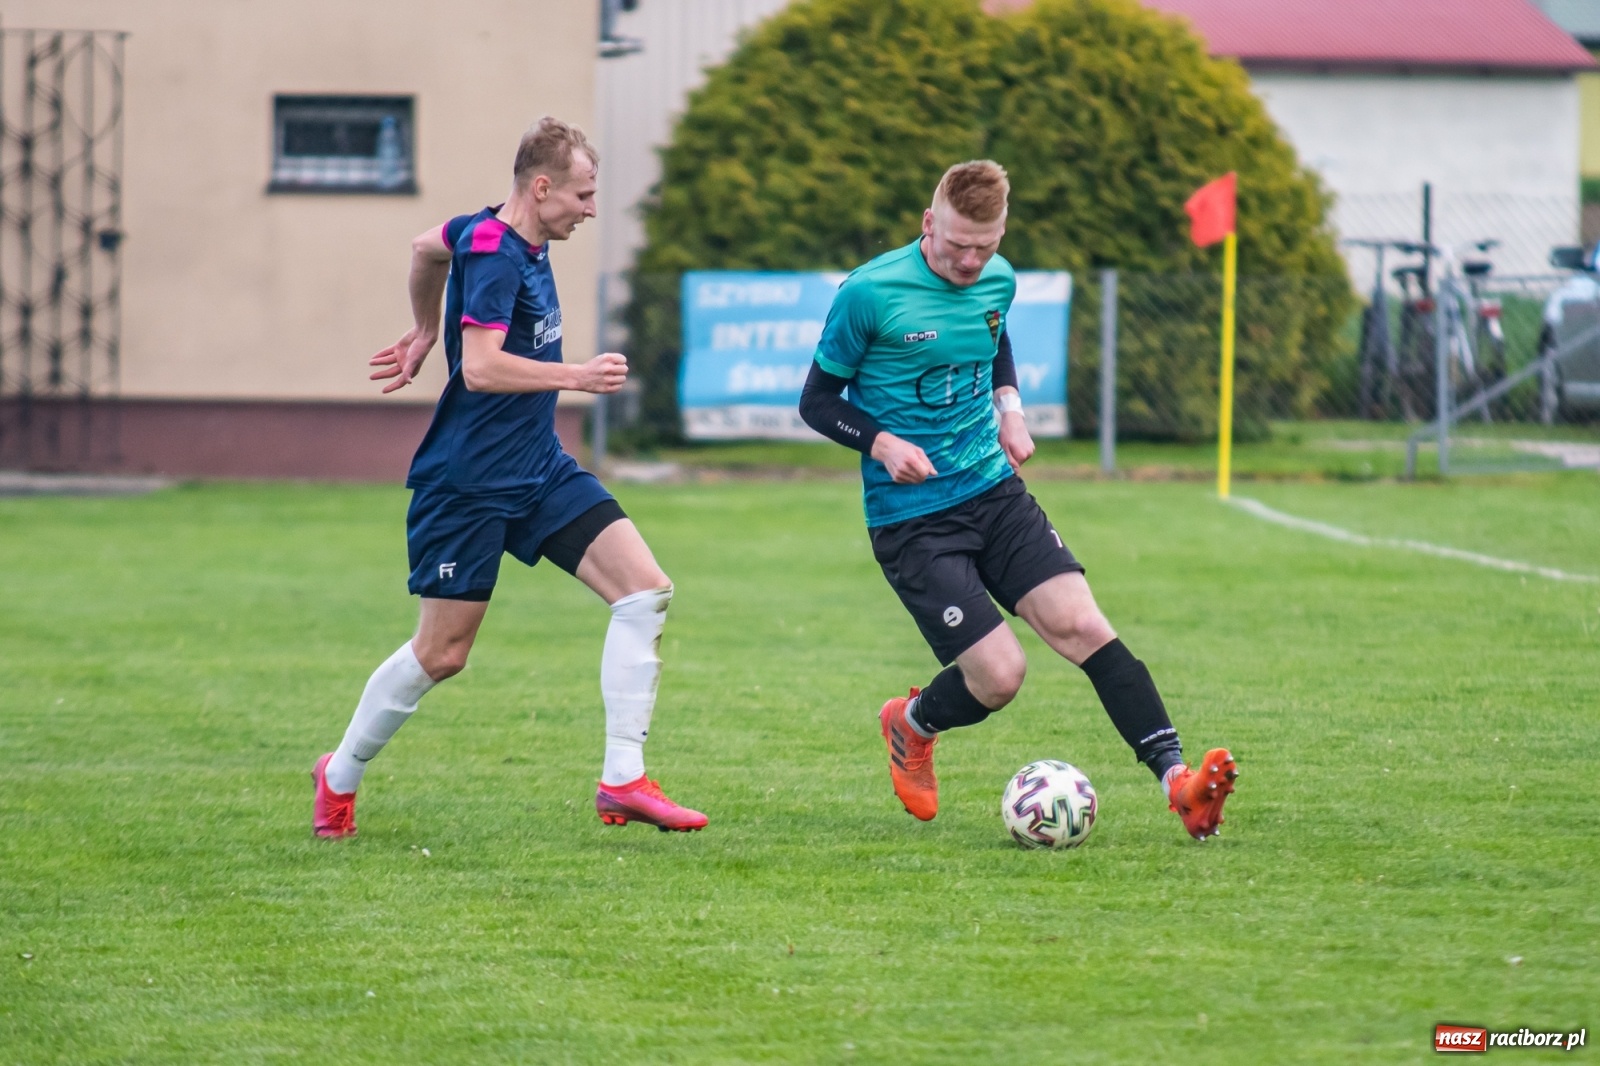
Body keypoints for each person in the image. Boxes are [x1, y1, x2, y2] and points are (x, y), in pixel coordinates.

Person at [797, 160, 1237, 840]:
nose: (972, 260)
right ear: (928, 223)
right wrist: (882, 443)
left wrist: (1011, 411)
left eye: (987, 244)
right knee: (1000, 676)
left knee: (1085, 627)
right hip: (913, 520)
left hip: (994, 492)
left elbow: (993, 339)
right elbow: (817, 401)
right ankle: (910, 725)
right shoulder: (870, 292)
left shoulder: (998, 278)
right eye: (957, 245)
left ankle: (1179, 783)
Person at [312, 117, 706, 838]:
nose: (591, 209)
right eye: (583, 195)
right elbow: (486, 369)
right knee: (443, 653)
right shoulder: (496, 255)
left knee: (645, 591)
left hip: (539, 470)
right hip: (467, 482)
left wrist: (424, 326)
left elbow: (424, 247)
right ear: (542, 186)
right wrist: (577, 376)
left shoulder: (487, 230)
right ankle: (337, 778)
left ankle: (623, 780)